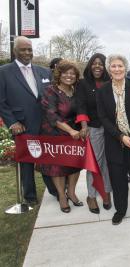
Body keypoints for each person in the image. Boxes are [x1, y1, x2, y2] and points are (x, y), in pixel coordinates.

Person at [0, 36, 57, 205]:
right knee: (27, 162)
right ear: (15, 51)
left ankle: (54, 190)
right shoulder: (3, 72)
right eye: (23, 49)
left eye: (29, 49)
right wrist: (12, 122)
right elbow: (1, 101)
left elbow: (52, 97)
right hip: (22, 125)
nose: (27, 52)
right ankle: (30, 197)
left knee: (48, 158)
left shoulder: (44, 72)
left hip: (45, 124)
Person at [96, 54, 130, 225]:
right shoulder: (103, 90)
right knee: (118, 177)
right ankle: (121, 210)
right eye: (114, 66)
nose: (117, 69)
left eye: (120, 66)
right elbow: (103, 118)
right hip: (115, 140)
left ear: (125, 68)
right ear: (109, 69)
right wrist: (120, 136)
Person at [36, 60, 84, 213]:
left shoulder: (76, 91)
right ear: (59, 74)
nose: (69, 76)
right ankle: (62, 197)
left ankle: (71, 192)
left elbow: (82, 111)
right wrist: (70, 131)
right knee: (58, 168)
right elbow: (52, 115)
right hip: (55, 133)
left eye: (72, 73)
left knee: (75, 165)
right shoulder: (50, 91)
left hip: (75, 133)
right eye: (66, 73)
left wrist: (83, 127)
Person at [76, 53, 112, 214]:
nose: (97, 66)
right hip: (94, 127)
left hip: (110, 128)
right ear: (90, 65)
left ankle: (106, 191)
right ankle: (91, 195)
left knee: (108, 161)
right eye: (94, 63)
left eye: (101, 63)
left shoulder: (110, 82)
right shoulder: (83, 84)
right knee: (95, 162)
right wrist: (84, 126)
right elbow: (81, 106)